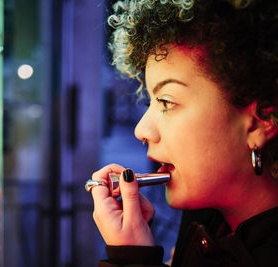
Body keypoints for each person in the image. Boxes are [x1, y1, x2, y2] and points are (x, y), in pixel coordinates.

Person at [89, 0, 278, 266]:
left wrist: (133, 260)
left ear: (260, 122)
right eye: (149, 102)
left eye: (166, 101)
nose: (141, 130)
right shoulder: (206, 221)